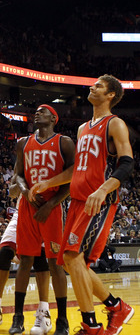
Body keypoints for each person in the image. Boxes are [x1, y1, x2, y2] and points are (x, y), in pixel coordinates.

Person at [31, 75, 134, 335]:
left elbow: (127, 163)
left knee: (71, 257)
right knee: (70, 262)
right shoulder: (82, 128)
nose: (92, 87)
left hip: (98, 201)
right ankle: (116, 307)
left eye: (98, 85)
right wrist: (47, 182)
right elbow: (77, 169)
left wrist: (102, 190)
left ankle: (92, 325)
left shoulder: (116, 124)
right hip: (78, 201)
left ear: (111, 94)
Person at [9, 105, 75, 335]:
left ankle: (63, 320)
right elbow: (17, 174)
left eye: (43, 111)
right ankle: (17, 317)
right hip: (28, 206)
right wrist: (25, 190)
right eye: (36, 111)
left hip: (52, 207)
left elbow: (71, 178)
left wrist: (51, 204)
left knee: (55, 263)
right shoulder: (23, 143)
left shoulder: (64, 142)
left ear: (53, 118)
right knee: (25, 261)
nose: (37, 113)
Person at [0, 180, 53, 332]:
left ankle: (44, 312)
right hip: (22, 212)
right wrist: (22, 186)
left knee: (40, 260)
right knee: (4, 254)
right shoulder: (25, 160)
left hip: (45, 212)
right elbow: (12, 191)